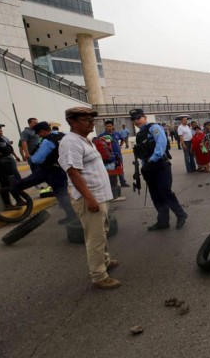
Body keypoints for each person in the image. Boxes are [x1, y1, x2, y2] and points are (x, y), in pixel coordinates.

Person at [58, 107, 120, 290]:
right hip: (90, 198)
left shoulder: (85, 140)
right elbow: (73, 173)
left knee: (102, 231)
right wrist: (89, 198)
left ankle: (105, 261)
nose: (92, 122)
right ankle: (99, 275)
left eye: (92, 119)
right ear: (72, 122)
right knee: (95, 237)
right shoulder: (70, 143)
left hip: (99, 196)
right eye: (86, 119)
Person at [130, 108, 188, 231]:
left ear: (144, 117)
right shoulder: (140, 134)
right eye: (133, 119)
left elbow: (160, 144)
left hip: (160, 165)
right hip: (149, 168)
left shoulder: (153, 128)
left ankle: (181, 214)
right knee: (155, 195)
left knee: (165, 192)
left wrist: (151, 161)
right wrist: (144, 166)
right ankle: (163, 221)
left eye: (138, 118)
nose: (136, 121)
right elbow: (143, 153)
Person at [10, 121, 76, 224]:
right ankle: (72, 214)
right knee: (61, 192)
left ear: (42, 131)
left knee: (57, 191)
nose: (39, 136)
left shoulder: (47, 141)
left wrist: (32, 156)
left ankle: (15, 186)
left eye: (39, 133)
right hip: (64, 167)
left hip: (51, 169)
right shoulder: (64, 135)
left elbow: (37, 159)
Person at [98, 120, 129, 187]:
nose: (109, 127)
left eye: (110, 126)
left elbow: (122, 139)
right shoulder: (101, 135)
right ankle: (113, 185)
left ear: (113, 127)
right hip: (108, 156)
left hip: (118, 155)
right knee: (111, 170)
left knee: (120, 168)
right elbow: (98, 144)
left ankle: (123, 182)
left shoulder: (117, 133)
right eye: (107, 126)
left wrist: (120, 145)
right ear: (105, 127)